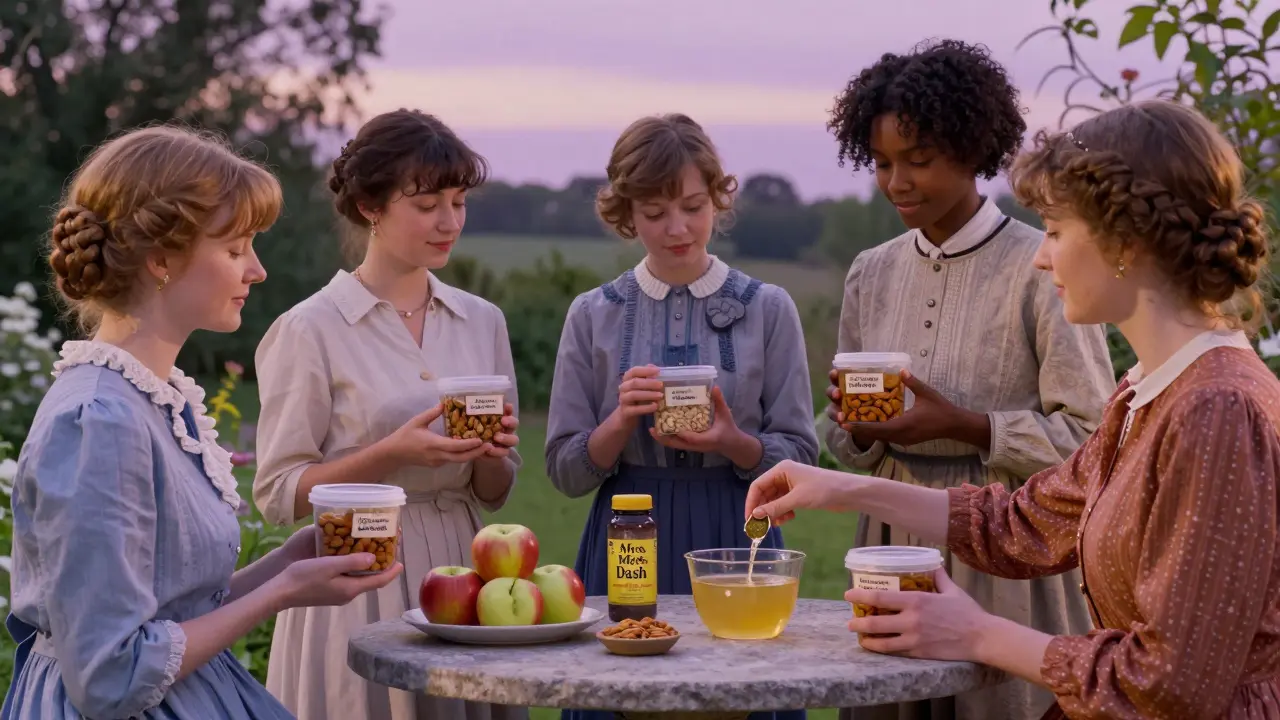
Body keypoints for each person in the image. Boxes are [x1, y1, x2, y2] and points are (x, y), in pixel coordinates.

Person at [747, 99, 1279, 719]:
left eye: (1055, 230)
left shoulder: (1215, 409)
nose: (1040, 255)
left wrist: (978, 634)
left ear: (1124, 241)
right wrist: (838, 488)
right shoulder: (1150, 391)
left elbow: (1170, 684)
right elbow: (1022, 523)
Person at [1, 126, 402, 720]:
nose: (257, 270)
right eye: (236, 249)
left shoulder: (158, 400)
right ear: (161, 259)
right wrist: (281, 595)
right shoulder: (97, 422)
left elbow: (171, 612)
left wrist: (288, 562)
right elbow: (110, 675)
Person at [820, 39, 1115, 720]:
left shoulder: (1040, 267)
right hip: (888, 547)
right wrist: (855, 429)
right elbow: (846, 439)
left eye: (918, 161)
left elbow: (1092, 441)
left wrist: (965, 425)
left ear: (974, 149)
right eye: (884, 163)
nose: (897, 182)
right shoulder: (872, 270)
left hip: (1009, 562)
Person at [251, 109, 527, 720]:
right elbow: (276, 493)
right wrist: (390, 455)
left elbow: (498, 490)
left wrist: (492, 454)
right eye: (427, 204)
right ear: (372, 206)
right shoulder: (309, 328)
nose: (449, 221)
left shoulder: (483, 320)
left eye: (458, 202)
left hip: (466, 568)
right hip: (356, 579)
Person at [545, 113, 819, 720]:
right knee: (622, 698)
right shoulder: (593, 315)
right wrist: (618, 423)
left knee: (744, 695)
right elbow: (564, 472)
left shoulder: (769, 310)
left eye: (694, 206)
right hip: (627, 535)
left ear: (718, 199)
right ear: (625, 214)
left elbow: (801, 454)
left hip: (740, 530)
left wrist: (736, 443)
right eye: (654, 212)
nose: (677, 228)